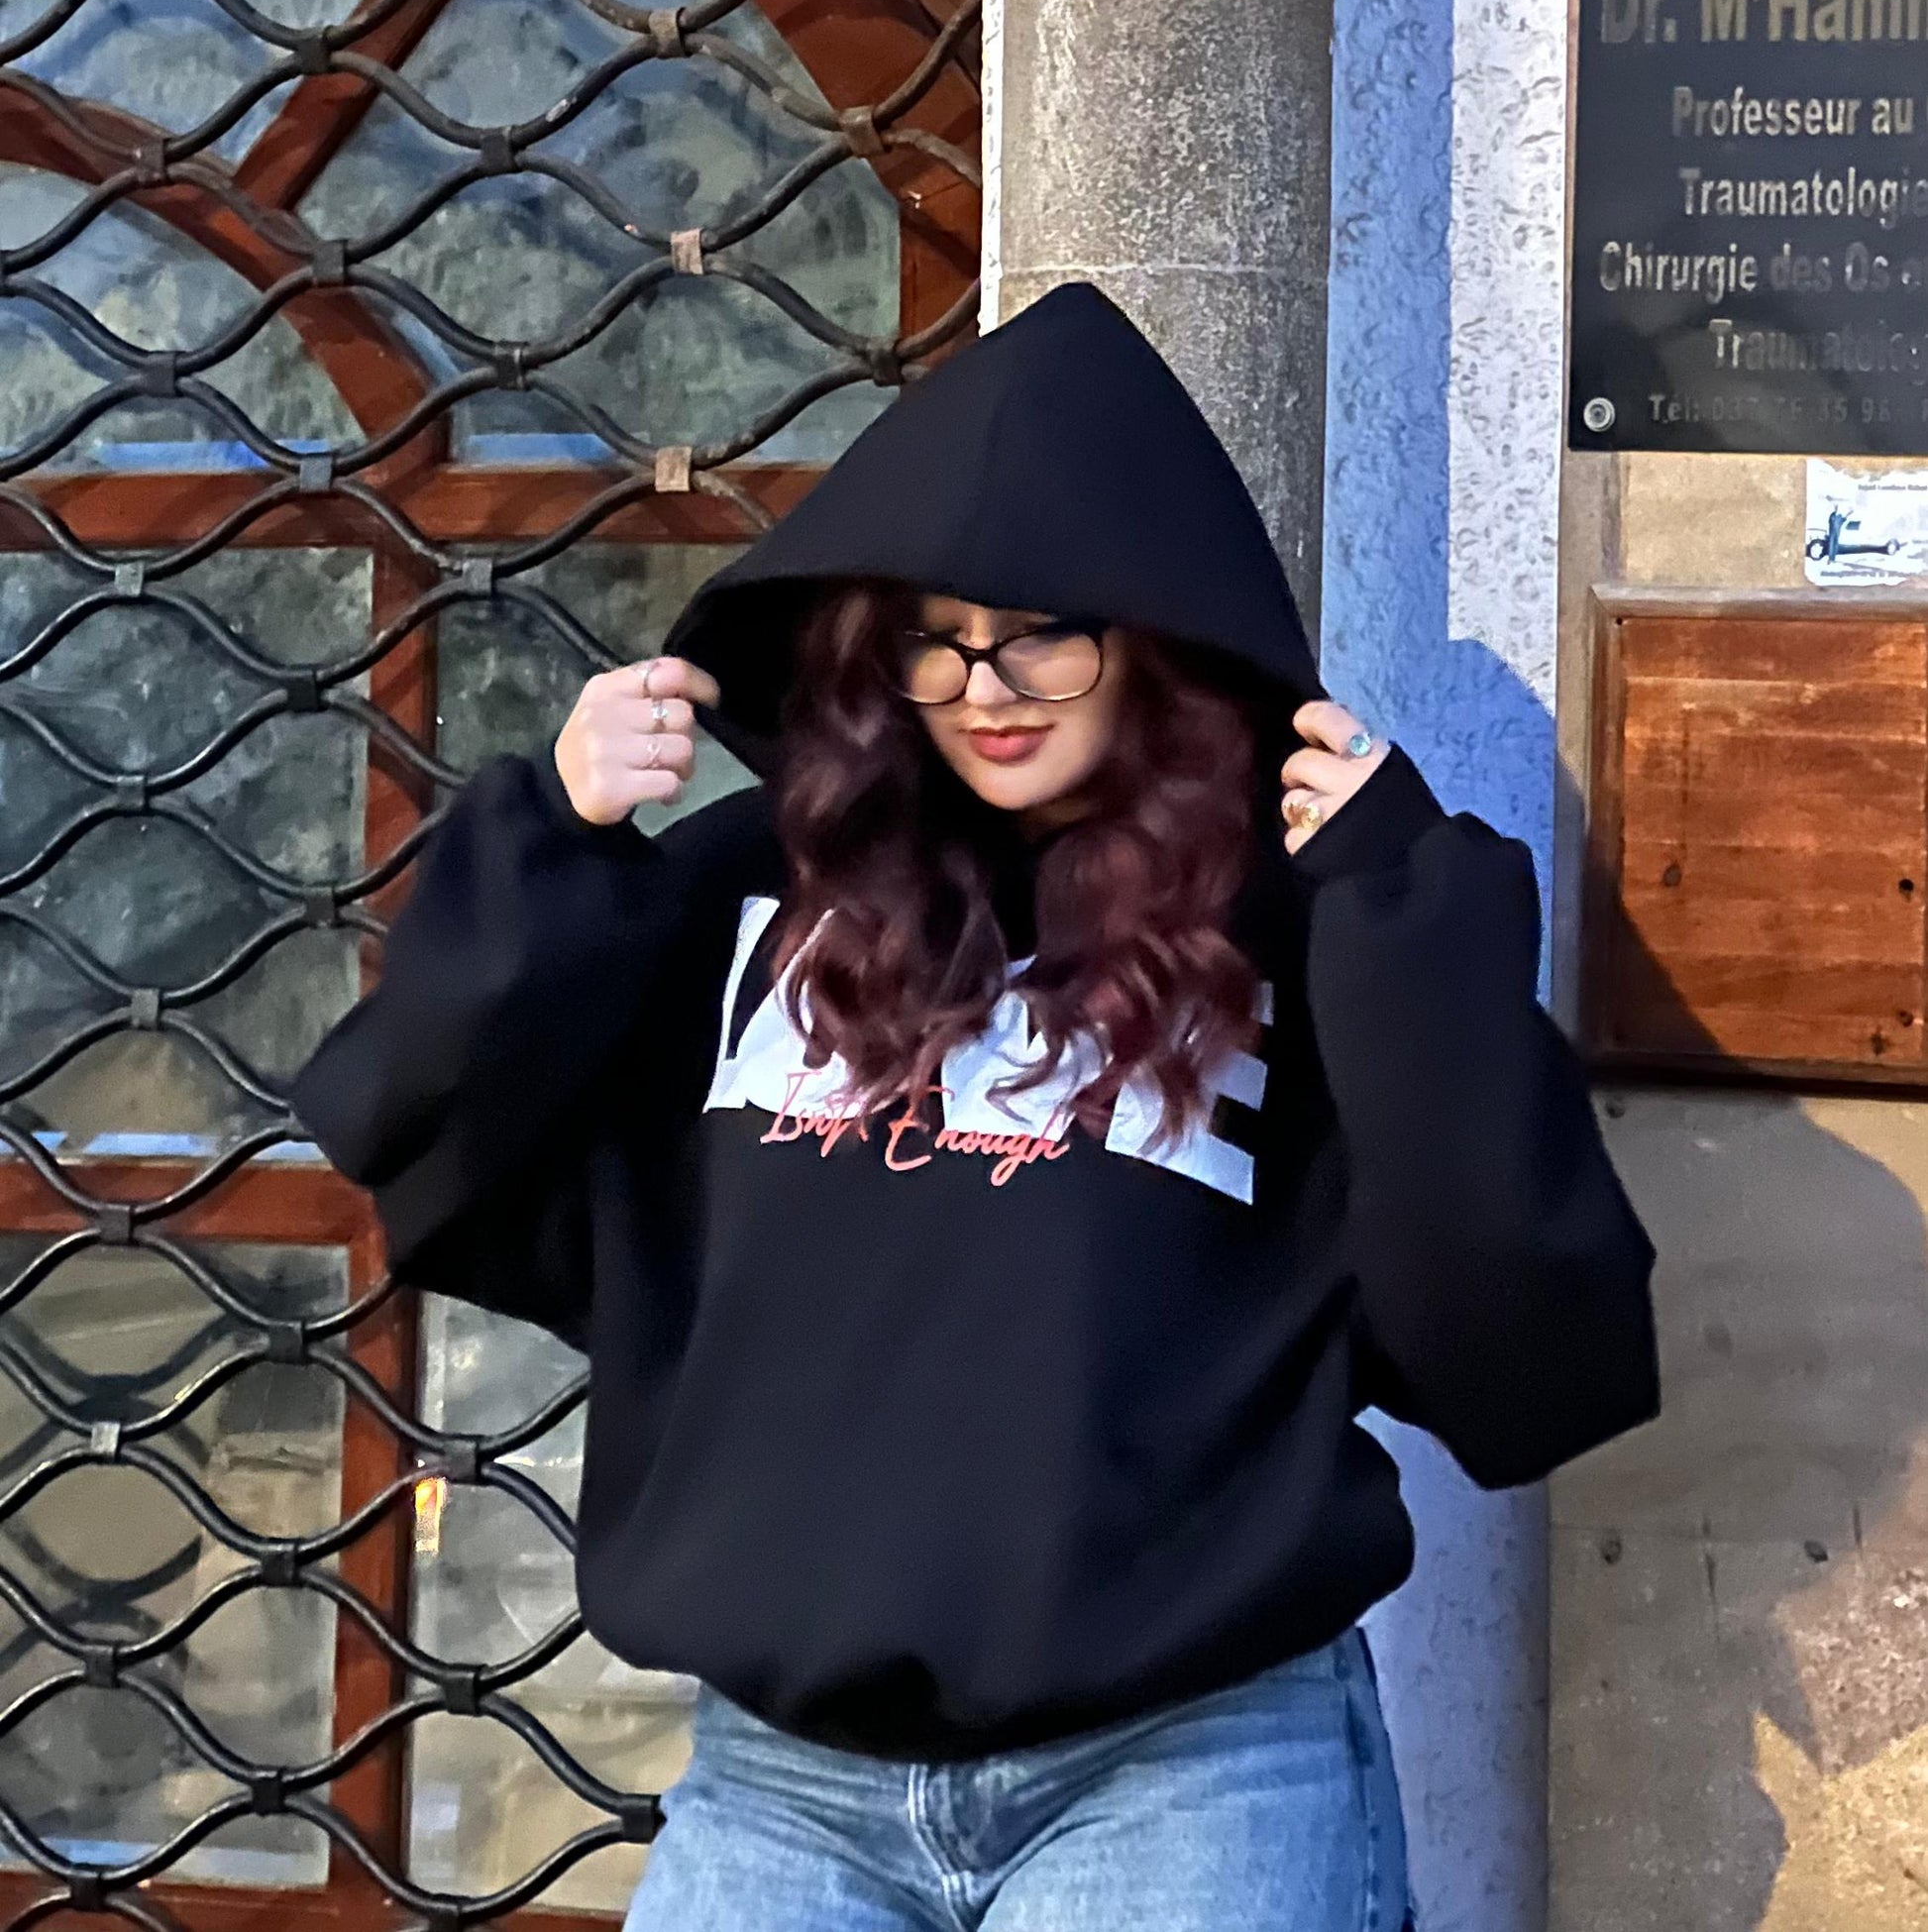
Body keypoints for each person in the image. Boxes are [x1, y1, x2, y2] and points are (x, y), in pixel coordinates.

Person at [293, 283, 1658, 1932]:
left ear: (1153, 632)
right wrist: (555, 848)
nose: (985, 685)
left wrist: (1402, 919)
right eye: (935, 640)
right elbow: (426, 1136)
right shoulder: (749, 893)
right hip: (784, 1791)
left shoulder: (1296, 929)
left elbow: (1525, 1339)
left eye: (1041, 631)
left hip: (1189, 1772)